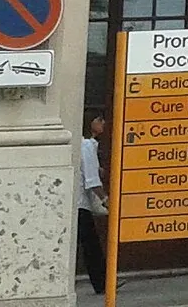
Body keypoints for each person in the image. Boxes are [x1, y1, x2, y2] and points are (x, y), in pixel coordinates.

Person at [77, 111, 108, 293]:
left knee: (88, 244)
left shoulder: (86, 145)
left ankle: (101, 281)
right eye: (100, 120)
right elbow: (91, 180)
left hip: (79, 203)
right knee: (91, 245)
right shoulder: (86, 146)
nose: (103, 124)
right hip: (81, 203)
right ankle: (102, 282)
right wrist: (105, 199)